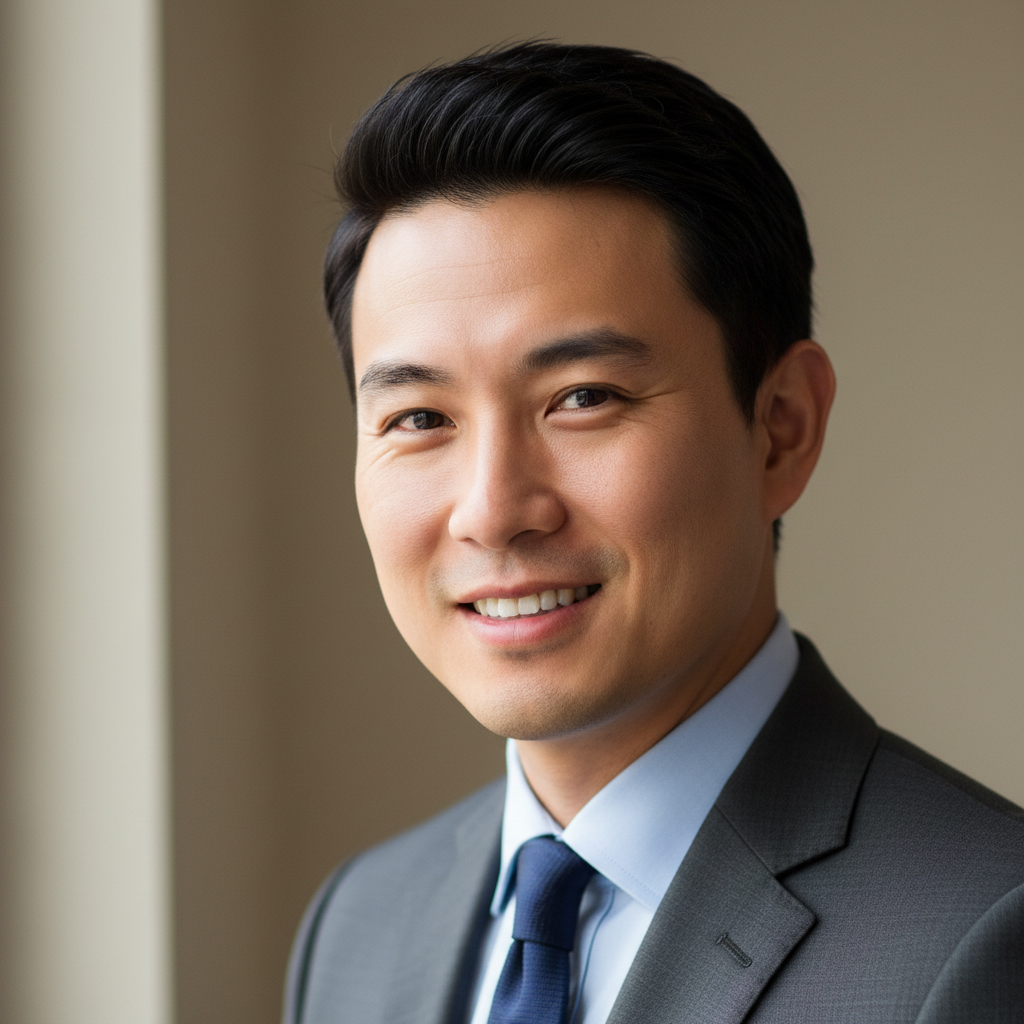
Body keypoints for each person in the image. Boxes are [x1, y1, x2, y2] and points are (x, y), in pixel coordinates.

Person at [283, 42, 1024, 1024]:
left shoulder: (982, 935)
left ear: (781, 427)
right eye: (419, 418)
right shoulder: (358, 923)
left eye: (582, 398)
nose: (494, 508)